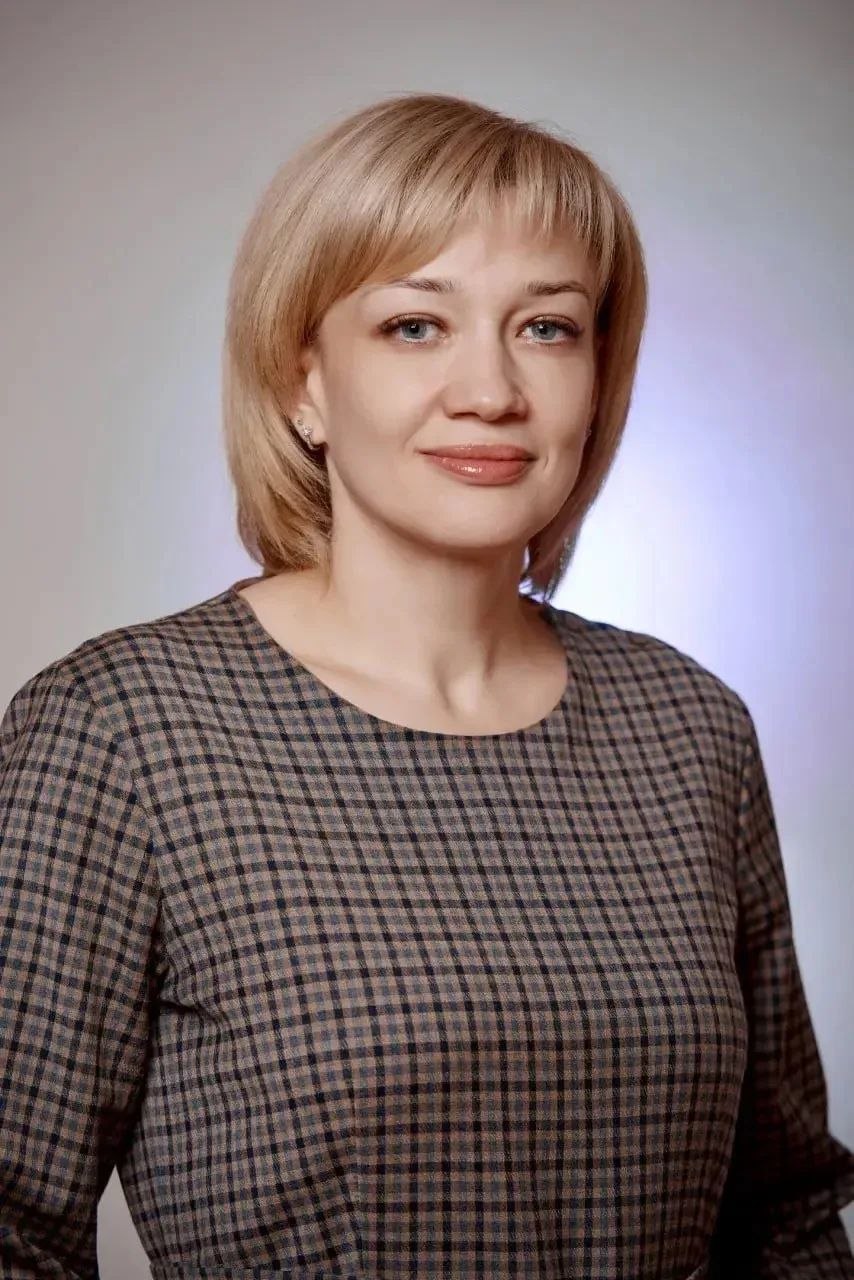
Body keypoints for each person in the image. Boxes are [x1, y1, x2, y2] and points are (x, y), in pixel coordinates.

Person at [1, 91, 852, 1279]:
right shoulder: (123, 728)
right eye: (414, 325)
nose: (490, 389)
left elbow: (786, 1220)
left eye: (546, 326)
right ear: (301, 380)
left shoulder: (687, 725)